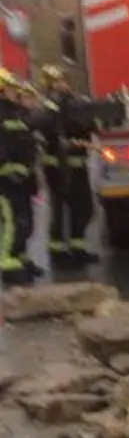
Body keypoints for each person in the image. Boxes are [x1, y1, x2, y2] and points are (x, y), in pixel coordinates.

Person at [38, 65, 98, 268]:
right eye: (57, 81)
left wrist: (89, 119)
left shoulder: (75, 102)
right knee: (59, 212)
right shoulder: (47, 106)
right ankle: (57, 252)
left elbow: (88, 125)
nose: (62, 84)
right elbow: (45, 127)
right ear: (49, 84)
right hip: (57, 167)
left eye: (63, 80)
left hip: (78, 166)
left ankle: (77, 247)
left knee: (83, 208)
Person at [0, 69, 39, 286]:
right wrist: (8, 168)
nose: (15, 92)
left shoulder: (14, 112)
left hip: (21, 178)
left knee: (24, 222)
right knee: (12, 223)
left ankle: (20, 259)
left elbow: (24, 141)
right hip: (6, 181)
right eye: (11, 88)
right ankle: (8, 265)